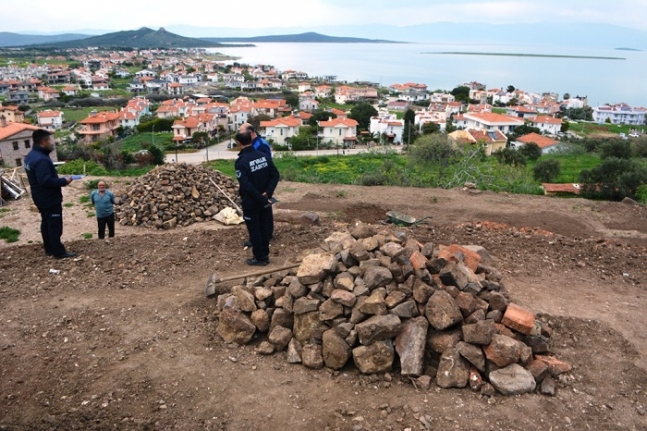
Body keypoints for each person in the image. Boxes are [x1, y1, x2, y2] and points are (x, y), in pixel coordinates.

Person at [24, 129, 77, 259]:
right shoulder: (42, 159)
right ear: (43, 142)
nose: (50, 142)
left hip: (39, 196)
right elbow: (45, 180)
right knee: (54, 225)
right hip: (49, 198)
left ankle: (49, 249)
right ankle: (59, 252)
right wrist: (64, 181)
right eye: (49, 140)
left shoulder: (30, 156)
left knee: (46, 222)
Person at [234, 130, 279, 266]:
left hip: (252, 202)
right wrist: (267, 193)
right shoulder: (264, 156)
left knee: (255, 230)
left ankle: (259, 258)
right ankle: (265, 255)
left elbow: (246, 185)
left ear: (239, 143)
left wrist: (261, 197)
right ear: (251, 140)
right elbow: (275, 175)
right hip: (264, 200)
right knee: (264, 227)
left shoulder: (241, 162)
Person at [239, 123, 274, 247]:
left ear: (250, 132)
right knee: (260, 210)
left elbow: (267, 165)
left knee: (264, 209)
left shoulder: (260, 144)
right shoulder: (252, 144)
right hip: (256, 185)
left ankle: (265, 235)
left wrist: (267, 190)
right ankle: (259, 237)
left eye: (241, 131)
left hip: (262, 185)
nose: (240, 133)